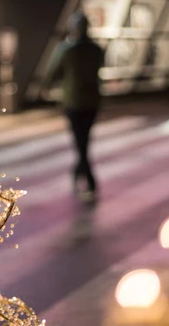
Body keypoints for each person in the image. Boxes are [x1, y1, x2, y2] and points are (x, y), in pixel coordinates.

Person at [42, 12, 104, 204]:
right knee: (84, 139)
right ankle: (80, 174)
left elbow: (52, 73)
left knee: (80, 142)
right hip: (93, 100)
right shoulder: (96, 49)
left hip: (73, 101)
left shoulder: (66, 49)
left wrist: (48, 88)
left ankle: (88, 178)